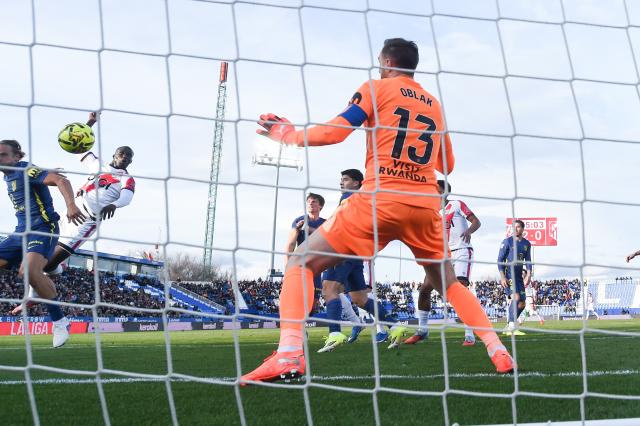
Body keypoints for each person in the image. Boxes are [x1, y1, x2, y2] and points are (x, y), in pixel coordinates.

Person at [241, 38, 513, 384]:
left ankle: (289, 354)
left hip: (379, 201)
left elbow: (337, 131)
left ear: (385, 62)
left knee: (301, 263)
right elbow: (448, 163)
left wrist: (290, 135)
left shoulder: (375, 88)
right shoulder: (434, 104)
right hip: (424, 206)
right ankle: (496, 348)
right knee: (450, 285)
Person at [12, 113, 135, 314]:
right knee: (41, 257)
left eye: (129, 156)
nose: (126, 158)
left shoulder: (127, 179)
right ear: (115, 155)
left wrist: (114, 205)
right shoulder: (97, 164)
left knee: (49, 261)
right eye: (122, 154)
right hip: (70, 212)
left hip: (86, 221)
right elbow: (78, 144)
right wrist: (90, 123)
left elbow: (127, 197)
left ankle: (33, 296)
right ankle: (55, 272)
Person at [0, 139, 86, 347]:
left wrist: (71, 205)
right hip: (20, 232)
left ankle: (60, 322)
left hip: (43, 229)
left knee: (28, 271)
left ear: (17, 156)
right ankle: (47, 270)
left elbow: (61, 181)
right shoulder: (11, 173)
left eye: (3, 154)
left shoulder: (25, 170)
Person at [318, 169, 402, 353]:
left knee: (328, 289)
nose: (342, 183)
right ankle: (394, 325)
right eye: (341, 179)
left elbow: (340, 225)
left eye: (346, 179)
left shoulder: (348, 197)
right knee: (360, 298)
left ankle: (334, 333)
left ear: (356, 183)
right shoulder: (366, 200)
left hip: (343, 250)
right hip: (357, 253)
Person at [405, 179, 482, 346]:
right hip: (440, 255)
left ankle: (469, 335)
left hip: (461, 251)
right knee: (424, 289)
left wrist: (468, 231)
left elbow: (476, 221)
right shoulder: (431, 211)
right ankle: (422, 330)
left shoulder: (456, 204)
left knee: (460, 287)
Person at [498, 219, 532, 335]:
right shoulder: (507, 242)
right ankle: (512, 327)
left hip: (518, 276)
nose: (515, 229)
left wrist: (529, 274)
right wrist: (502, 277)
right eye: (514, 227)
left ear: (522, 229)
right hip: (508, 273)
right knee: (515, 297)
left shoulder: (526, 244)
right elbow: (500, 260)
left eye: (518, 227)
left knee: (522, 303)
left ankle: (509, 325)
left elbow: (528, 260)